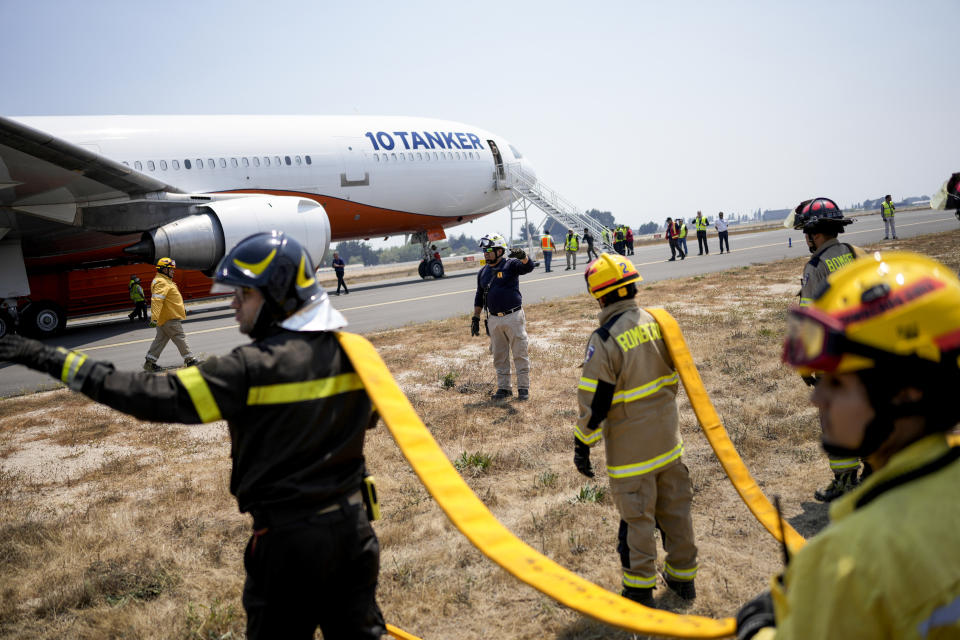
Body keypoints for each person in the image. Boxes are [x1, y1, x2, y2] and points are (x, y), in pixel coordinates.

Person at [0, 231, 387, 639]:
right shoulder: (355, 354)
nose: (233, 304)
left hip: (287, 546)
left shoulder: (247, 370)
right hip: (353, 535)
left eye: (244, 295)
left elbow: (151, 396)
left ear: (276, 295)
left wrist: (55, 361)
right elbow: (371, 418)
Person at [736, 250, 960, 640]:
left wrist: (759, 627)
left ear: (906, 392)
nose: (816, 400)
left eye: (838, 384)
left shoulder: (850, 563)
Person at [575, 253, 699, 606]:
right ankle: (684, 580)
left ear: (599, 296)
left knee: (637, 521)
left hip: (632, 456)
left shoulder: (604, 338)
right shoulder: (657, 321)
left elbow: (596, 401)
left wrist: (582, 443)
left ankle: (639, 591)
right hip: (670, 444)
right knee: (676, 513)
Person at [792, 197, 866, 501]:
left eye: (805, 233)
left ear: (815, 233)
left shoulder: (816, 266)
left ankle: (846, 482)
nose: (805, 239)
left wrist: (807, 366)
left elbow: (809, 320)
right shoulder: (854, 253)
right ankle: (874, 472)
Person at [471, 234, 534, 401]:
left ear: (500, 250)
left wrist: (523, 256)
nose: (485, 253)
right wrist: (476, 318)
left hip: (513, 316)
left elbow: (528, 267)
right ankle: (504, 388)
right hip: (493, 319)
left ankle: (523, 388)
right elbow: (479, 295)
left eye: (489, 250)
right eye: (484, 250)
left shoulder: (511, 265)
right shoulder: (483, 272)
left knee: (519, 353)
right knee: (499, 356)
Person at [144, 257, 198, 372]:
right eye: (171, 269)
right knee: (179, 337)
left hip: (165, 318)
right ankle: (190, 360)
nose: (173, 271)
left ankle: (149, 363)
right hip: (169, 318)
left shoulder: (164, 280)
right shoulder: (161, 282)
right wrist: (154, 318)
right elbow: (157, 300)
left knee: (160, 340)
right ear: (164, 269)